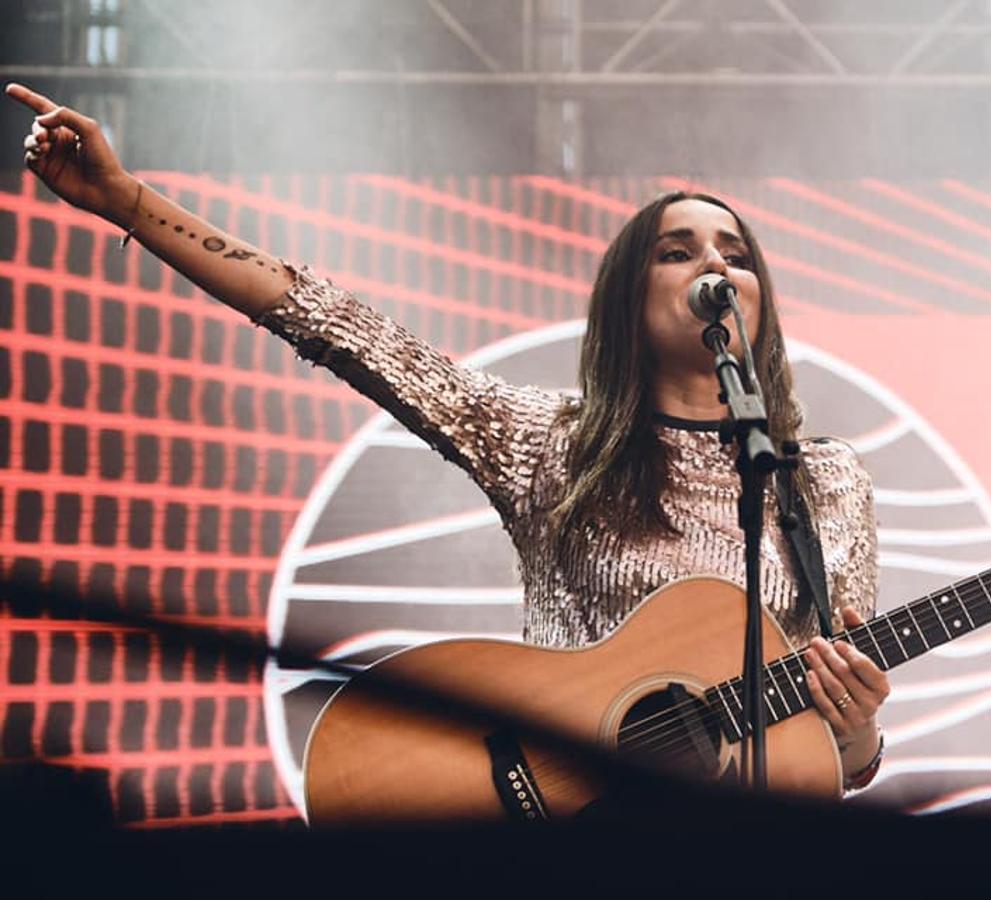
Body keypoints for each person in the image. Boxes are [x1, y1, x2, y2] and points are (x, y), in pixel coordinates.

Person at [6, 83, 889, 791]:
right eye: (680, 249)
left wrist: (857, 735)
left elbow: (838, 761)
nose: (717, 267)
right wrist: (128, 202)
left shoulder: (826, 484)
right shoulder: (549, 442)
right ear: (628, 296)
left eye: (735, 252)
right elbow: (334, 323)